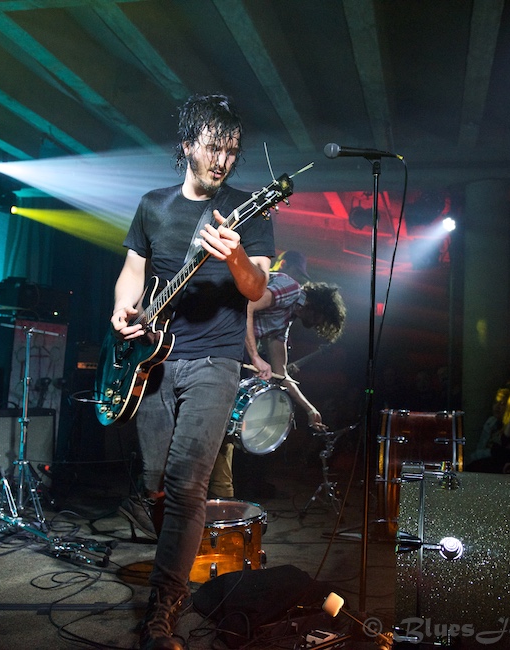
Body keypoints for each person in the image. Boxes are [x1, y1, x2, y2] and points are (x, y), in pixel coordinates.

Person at [111, 93, 274, 650]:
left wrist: (233, 257)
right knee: (158, 483)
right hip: (152, 364)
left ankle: (162, 610)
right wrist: (122, 310)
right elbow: (133, 272)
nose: (223, 159)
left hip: (216, 359)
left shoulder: (249, 207)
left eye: (232, 150)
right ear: (187, 146)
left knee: (187, 487)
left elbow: (258, 289)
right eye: (213, 146)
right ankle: (177, 568)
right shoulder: (153, 205)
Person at [209, 274, 346, 498]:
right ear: (317, 308)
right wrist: (254, 356)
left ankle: (222, 497)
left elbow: (281, 373)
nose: (316, 326)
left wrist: (309, 409)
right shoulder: (290, 289)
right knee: (218, 427)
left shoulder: (284, 323)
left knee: (225, 430)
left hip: (229, 354)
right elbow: (248, 308)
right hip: (215, 343)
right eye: (320, 320)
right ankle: (217, 495)